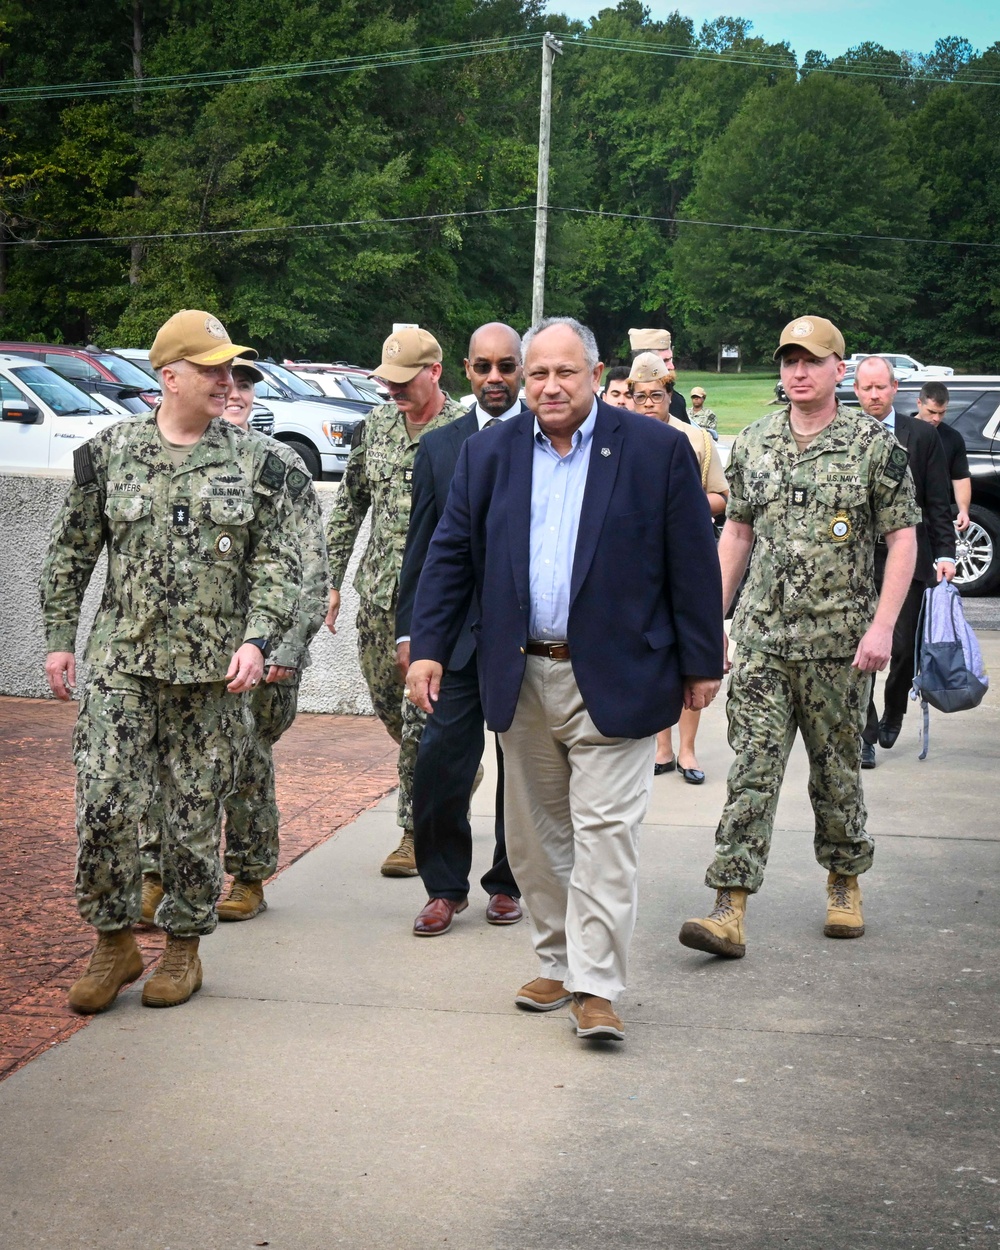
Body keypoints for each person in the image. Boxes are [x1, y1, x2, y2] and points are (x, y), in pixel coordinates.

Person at [406, 316, 723, 1043]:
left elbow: (691, 564)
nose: (549, 385)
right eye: (537, 372)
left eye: (565, 372)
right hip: (520, 675)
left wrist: (701, 663)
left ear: (595, 374)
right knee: (535, 841)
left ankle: (597, 986)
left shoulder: (655, 451)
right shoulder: (489, 454)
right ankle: (556, 959)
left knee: (606, 836)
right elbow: (451, 553)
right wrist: (427, 644)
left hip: (617, 672)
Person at [40, 309, 301, 1013]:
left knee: (191, 816)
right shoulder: (110, 453)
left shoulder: (257, 462)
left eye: (228, 369)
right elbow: (69, 552)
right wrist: (61, 636)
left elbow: (280, 563)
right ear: (170, 376)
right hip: (121, 664)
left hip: (212, 676)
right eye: (211, 367)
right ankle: (114, 942)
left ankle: (183, 951)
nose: (226, 379)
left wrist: (259, 638)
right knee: (104, 805)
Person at [679, 315, 920, 961]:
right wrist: (713, 627)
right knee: (751, 774)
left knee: (836, 775)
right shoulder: (753, 444)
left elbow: (902, 540)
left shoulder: (872, 448)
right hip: (762, 641)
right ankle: (729, 904)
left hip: (841, 647)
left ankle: (844, 883)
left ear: (839, 370)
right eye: (789, 360)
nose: (798, 371)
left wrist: (883, 628)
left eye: (811, 360)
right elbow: (737, 535)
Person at [138, 359, 328, 922]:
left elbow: (309, 566)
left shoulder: (277, 464)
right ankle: (156, 872)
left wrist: (286, 648)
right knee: (163, 762)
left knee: (245, 761)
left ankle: (248, 875)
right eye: (229, 382)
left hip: (261, 646)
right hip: (185, 644)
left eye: (245, 385)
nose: (236, 393)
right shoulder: (172, 456)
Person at [396, 323, 526, 936]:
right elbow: (422, 551)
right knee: (440, 765)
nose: (495, 378)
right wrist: (413, 638)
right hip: (455, 644)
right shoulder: (441, 448)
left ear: (521, 369)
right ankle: (444, 887)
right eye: (484, 367)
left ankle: (508, 882)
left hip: (526, 641)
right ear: (465, 373)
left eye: (506, 366)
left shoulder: (547, 439)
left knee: (521, 771)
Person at [325, 327, 465, 877]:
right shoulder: (377, 427)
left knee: (419, 718)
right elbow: (349, 505)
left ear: (435, 372)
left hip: (437, 603)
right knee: (390, 707)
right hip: (380, 596)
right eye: (387, 382)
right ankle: (445, 768)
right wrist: (331, 578)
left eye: (405, 382)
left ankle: (413, 831)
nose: (395, 392)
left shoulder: (466, 432)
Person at [629, 352, 728, 784]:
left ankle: (687, 751)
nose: (648, 402)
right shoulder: (619, 440)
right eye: (640, 396)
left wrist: (679, 506)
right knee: (653, 656)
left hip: (685, 558)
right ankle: (662, 746)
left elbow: (722, 498)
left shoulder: (697, 440)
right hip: (640, 566)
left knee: (690, 652)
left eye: (657, 394)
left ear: (671, 395)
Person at [853, 357, 956, 765]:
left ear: (895, 389)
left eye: (881, 387)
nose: (874, 395)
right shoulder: (847, 434)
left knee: (901, 646)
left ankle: (895, 705)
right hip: (858, 558)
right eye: (866, 388)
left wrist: (946, 553)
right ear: (856, 391)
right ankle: (865, 731)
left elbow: (937, 500)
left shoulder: (922, 436)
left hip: (910, 555)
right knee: (857, 646)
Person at [915, 381, 971, 533]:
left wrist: (963, 510)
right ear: (919, 403)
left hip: (938, 515)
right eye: (931, 412)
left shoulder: (953, 438)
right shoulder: (902, 431)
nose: (936, 418)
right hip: (905, 514)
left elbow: (960, 477)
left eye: (942, 412)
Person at [628, 327, 689, 422]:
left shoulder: (676, 401)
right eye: (665, 361)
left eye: (656, 396)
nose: (672, 366)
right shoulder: (619, 399)